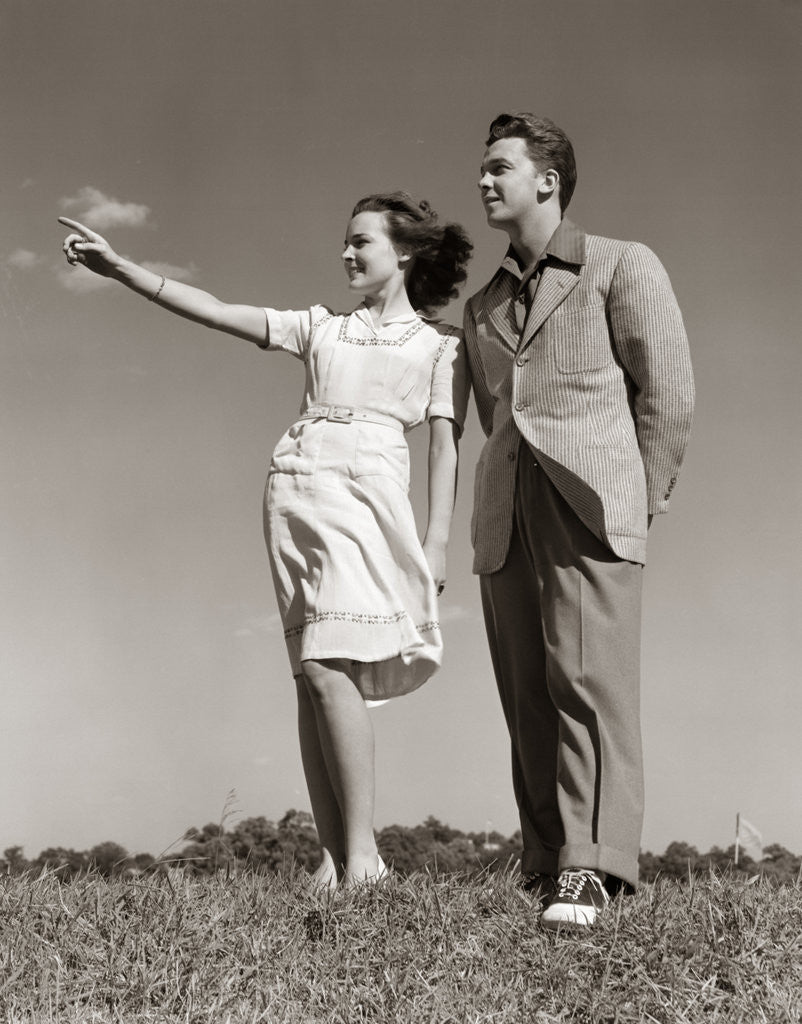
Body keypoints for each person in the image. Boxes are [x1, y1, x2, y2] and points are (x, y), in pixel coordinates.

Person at [60, 191, 472, 889]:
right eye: (345, 241)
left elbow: (447, 447)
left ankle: (365, 855)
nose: (345, 252)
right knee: (311, 673)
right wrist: (124, 270)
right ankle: (335, 856)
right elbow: (220, 311)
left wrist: (435, 543)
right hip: (296, 487)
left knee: (331, 664)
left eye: (360, 242)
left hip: (369, 490)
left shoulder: (441, 347)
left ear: (404, 251)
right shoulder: (320, 327)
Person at [463, 114, 694, 928]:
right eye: (482, 169)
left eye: (500, 167)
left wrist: (639, 501)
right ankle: (546, 863)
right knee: (528, 693)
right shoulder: (481, 304)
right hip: (506, 515)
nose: (484, 181)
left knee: (589, 687)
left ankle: (595, 869)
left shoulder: (621, 265)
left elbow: (666, 393)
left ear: (547, 180)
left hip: (592, 505)